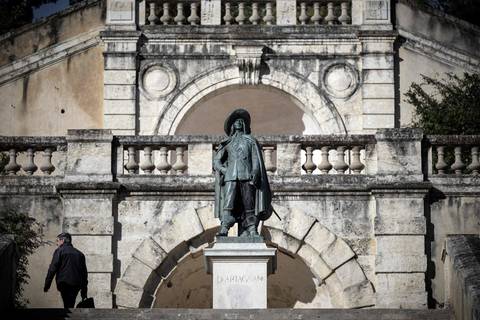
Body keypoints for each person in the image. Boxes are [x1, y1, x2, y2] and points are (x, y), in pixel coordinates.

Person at [214, 108, 272, 237]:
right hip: (231, 177)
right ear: (232, 126)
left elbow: (255, 159)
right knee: (228, 203)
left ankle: (252, 228)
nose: (238, 123)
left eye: (241, 121)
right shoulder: (227, 143)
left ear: (244, 124)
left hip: (246, 175)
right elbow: (217, 161)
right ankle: (224, 227)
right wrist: (225, 170)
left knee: (248, 203)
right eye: (236, 121)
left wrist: (256, 172)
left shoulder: (250, 141)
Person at [44, 232, 88, 308]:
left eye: (57, 241)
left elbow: (52, 268)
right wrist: (84, 292)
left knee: (67, 303)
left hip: (63, 283)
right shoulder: (80, 254)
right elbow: (84, 274)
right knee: (70, 302)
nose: (57, 244)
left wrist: (47, 284)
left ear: (63, 240)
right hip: (76, 284)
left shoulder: (59, 251)